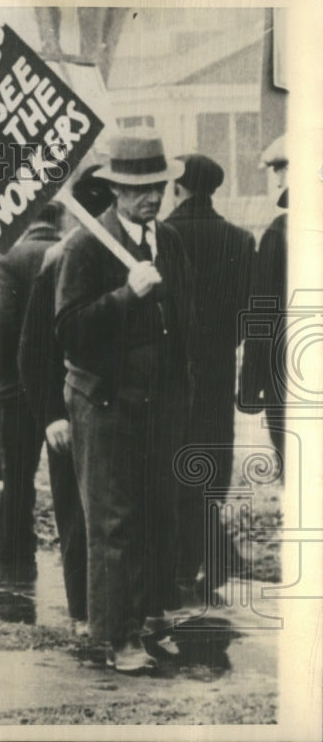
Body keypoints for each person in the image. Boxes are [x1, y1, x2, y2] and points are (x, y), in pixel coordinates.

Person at [55, 133, 195, 673]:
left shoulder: (172, 243)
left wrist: (183, 394)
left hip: (156, 406)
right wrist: (123, 296)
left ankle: (144, 617)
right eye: (137, 189)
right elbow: (69, 331)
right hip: (103, 402)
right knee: (111, 523)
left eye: (156, 186)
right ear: (114, 190)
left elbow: (183, 324)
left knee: (155, 514)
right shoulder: (84, 246)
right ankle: (116, 638)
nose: (150, 198)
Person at [18, 167, 112, 633]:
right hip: (73, 409)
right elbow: (35, 348)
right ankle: (82, 610)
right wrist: (52, 415)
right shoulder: (59, 260)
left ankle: (125, 609)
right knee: (76, 514)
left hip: (124, 408)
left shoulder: (143, 256)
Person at [165, 154, 256, 601]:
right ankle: (208, 558)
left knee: (175, 459)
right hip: (219, 367)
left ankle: (185, 566)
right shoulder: (239, 238)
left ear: (176, 187)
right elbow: (247, 312)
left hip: (171, 370)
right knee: (212, 461)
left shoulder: (163, 236)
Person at [0, 202, 65, 578]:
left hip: (18, 387)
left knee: (18, 473)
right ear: (59, 220)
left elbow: (0, 321)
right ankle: (75, 556)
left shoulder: (12, 259)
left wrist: (3, 374)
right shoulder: (71, 253)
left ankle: (14, 549)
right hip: (64, 385)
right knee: (67, 476)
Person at [240, 135, 288, 464]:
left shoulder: (278, 233)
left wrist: (250, 384)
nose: (278, 179)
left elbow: (262, 312)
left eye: (280, 170)